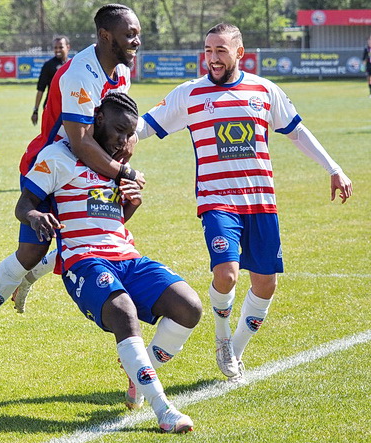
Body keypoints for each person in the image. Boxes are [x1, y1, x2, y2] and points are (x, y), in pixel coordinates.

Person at [137, 23, 353, 380]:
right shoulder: (189, 94)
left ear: (239, 52)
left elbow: (296, 131)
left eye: (221, 50)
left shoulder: (264, 90)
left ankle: (234, 349)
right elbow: (144, 126)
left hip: (261, 202)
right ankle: (223, 340)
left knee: (265, 283)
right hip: (217, 200)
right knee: (227, 273)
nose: (213, 58)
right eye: (208, 50)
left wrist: (334, 168)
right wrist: (107, 152)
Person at [0, 3, 143, 379]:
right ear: (106, 36)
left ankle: (135, 365)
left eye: (137, 33)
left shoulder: (122, 69)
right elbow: (78, 143)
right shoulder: (80, 74)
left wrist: (126, 152)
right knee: (31, 250)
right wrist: (122, 169)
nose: (136, 40)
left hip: (94, 166)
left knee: (97, 244)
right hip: (53, 162)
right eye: (130, 34)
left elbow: (125, 125)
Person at [16, 92, 200, 433]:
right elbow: (23, 203)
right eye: (118, 131)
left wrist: (132, 203)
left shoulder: (118, 166)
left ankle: (136, 371)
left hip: (126, 256)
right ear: (97, 118)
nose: (123, 142)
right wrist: (36, 216)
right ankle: (164, 409)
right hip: (83, 261)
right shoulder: (59, 155)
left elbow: (113, 220)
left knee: (189, 307)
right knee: (123, 312)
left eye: (129, 135)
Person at [31, 36, 70, 125]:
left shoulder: (73, 64)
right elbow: (40, 89)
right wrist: (35, 110)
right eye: (55, 48)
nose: (58, 50)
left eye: (61, 47)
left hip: (69, 107)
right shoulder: (48, 65)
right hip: (51, 108)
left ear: (68, 47)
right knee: (51, 137)